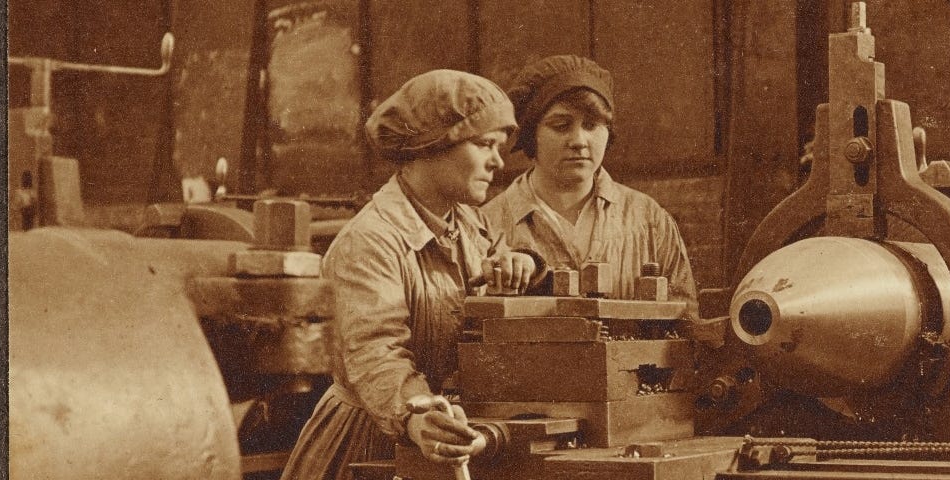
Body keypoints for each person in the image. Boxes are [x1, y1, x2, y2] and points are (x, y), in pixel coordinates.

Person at [280, 69, 544, 480]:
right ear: (433, 146)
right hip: (370, 441)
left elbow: (498, 259)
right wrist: (418, 415)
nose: (497, 160)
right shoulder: (369, 242)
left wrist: (521, 264)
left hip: (445, 436)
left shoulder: (469, 224)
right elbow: (375, 353)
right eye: (484, 144)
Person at [480, 55, 697, 317]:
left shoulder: (649, 221)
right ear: (530, 135)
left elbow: (687, 325)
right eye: (561, 126)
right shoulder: (487, 226)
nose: (579, 141)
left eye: (592, 125)